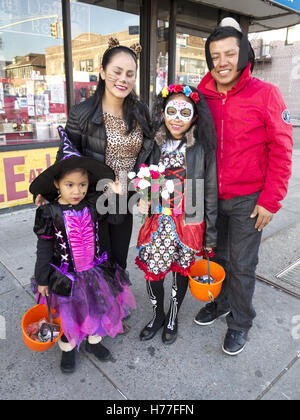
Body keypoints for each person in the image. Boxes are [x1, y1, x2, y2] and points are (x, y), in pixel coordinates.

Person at [195, 17, 293, 356]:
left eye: (230, 54)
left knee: (241, 265)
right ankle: (220, 304)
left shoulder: (266, 94)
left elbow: (282, 150)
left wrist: (270, 200)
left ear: (244, 54)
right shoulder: (200, 95)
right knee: (215, 257)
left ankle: (240, 322)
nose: (222, 62)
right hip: (208, 197)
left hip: (248, 200)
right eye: (215, 55)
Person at [35, 37, 153, 273]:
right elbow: (66, 155)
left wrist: (147, 191)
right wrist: (46, 191)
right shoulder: (82, 113)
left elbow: (148, 156)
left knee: (119, 258)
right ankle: (101, 307)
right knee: (95, 260)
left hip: (124, 198)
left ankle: (117, 303)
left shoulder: (140, 112)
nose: (123, 79)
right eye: (117, 72)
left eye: (130, 74)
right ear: (102, 72)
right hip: (92, 200)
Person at [30, 126, 136, 373]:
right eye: (69, 184)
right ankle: (68, 348)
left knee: (97, 309)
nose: (77, 191)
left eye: (82, 184)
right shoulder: (49, 212)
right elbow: (43, 248)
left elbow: (117, 220)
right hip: (65, 277)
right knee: (69, 315)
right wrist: (42, 279)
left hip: (96, 272)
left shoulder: (93, 205)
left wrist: (119, 197)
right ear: (56, 184)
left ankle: (93, 341)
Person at [135, 84, 218, 345]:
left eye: (184, 112)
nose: (177, 118)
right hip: (158, 220)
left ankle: (173, 316)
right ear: (163, 112)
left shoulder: (202, 149)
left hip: (189, 221)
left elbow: (210, 191)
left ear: (194, 117)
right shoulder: (153, 144)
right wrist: (142, 198)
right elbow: (142, 176)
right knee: (152, 269)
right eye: (172, 110)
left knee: (180, 271)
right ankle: (158, 314)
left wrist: (210, 236)